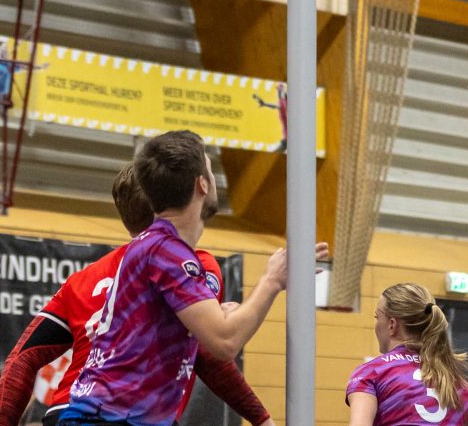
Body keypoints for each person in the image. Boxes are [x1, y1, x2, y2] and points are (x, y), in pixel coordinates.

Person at [58, 130, 328, 426]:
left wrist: (219, 315)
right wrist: (272, 280)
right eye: (211, 172)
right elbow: (224, 341)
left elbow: (203, 334)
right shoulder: (166, 252)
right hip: (107, 419)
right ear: (201, 184)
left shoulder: (162, 248)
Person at [0, 163, 273, 426]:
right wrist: (261, 418)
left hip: (68, 411)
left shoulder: (82, 280)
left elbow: (20, 360)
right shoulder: (192, 264)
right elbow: (209, 353)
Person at [346, 283, 468, 426]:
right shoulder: (454, 381)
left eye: (377, 317)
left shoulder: (373, 372)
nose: (376, 324)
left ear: (392, 325)